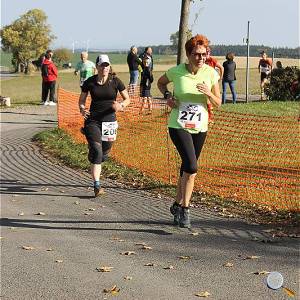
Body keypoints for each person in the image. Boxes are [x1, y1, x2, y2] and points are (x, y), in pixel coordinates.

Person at [157, 34, 221, 228]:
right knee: (192, 166)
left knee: (187, 167)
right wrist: (168, 96)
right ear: (188, 54)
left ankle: (177, 204)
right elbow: (160, 83)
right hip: (178, 125)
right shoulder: (176, 71)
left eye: (204, 54)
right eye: (197, 54)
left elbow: (218, 103)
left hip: (200, 126)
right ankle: (185, 209)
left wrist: (208, 92)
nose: (201, 58)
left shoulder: (210, 73)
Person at [78, 54, 130, 197]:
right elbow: (81, 101)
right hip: (93, 120)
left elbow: (127, 99)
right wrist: (82, 109)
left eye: (107, 65)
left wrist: (120, 105)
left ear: (109, 66)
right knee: (97, 151)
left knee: (104, 153)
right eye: (102, 65)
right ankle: (97, 185)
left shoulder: (115, 81)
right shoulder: (90, 82)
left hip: (110, 121)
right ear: (97, 66)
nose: (105, 68)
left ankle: (95, 154)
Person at [205, 47, 223, 122]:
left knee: (210, 99)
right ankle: (208, 116)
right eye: (206, 52)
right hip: (203, 81)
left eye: (208, 52)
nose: (207, 54)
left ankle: (210, 117)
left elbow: (222, 68)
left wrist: (220, 78)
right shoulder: (200, 60)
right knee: (206, 100)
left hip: (211, 81)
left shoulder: (212, 60)